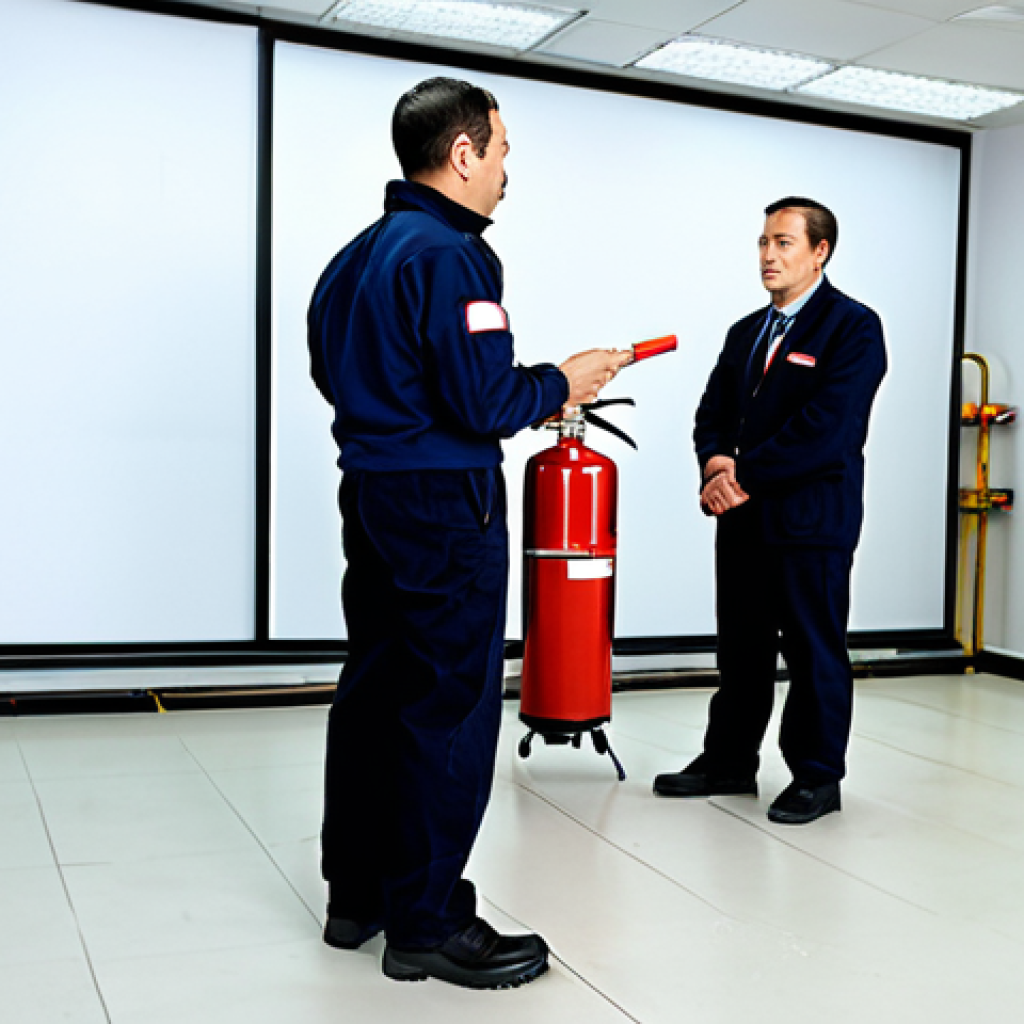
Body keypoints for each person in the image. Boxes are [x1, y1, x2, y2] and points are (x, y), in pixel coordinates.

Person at [308, 77, 631, 989]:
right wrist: (561, 382)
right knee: (447, 703)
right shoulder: (454, 255)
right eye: (500, 151)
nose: (504, 171)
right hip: (445, 504)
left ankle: (358, 898)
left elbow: (334, 371)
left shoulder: (354, 257)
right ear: (462, 154)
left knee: (376, 691)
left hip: (372, 493)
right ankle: (428, 921)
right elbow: (485, 401)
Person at [653, 197, 886, 825]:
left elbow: (828, 429)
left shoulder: (853, 327)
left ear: (820, 252)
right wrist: (713, 464)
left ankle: (817, 776)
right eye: (763, 242)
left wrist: (742, 474)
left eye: (784, 242)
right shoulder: (746, 331)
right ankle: (729, 761)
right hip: (743, 520)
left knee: (813, 650)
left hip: (810, 522)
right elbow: (712, 412)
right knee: (741, 649)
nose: (768, 255)